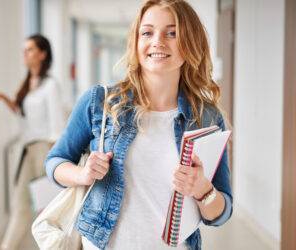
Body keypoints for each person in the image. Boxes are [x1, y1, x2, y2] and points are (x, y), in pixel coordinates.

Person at [44, 1, 232, 250]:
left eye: (172, 32)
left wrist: (202, 189)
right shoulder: (100, 102)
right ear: (135, 41)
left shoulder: (206, 117)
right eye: (147, 32)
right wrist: (82, 174)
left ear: (190, 43)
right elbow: (55, 162)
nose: (157, 41)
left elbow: (221, 212)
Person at [0, 34, 65, 250]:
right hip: (27, 151)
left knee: (45, 210)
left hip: (44, 151)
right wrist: (0, 98)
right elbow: (23, 114)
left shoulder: (50, 85)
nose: (24, 54)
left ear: (42, 54)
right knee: (21, 206)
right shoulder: (29, 83)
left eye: (30, 49)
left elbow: (57, 126)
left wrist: (53, 161)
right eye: (24, 49)